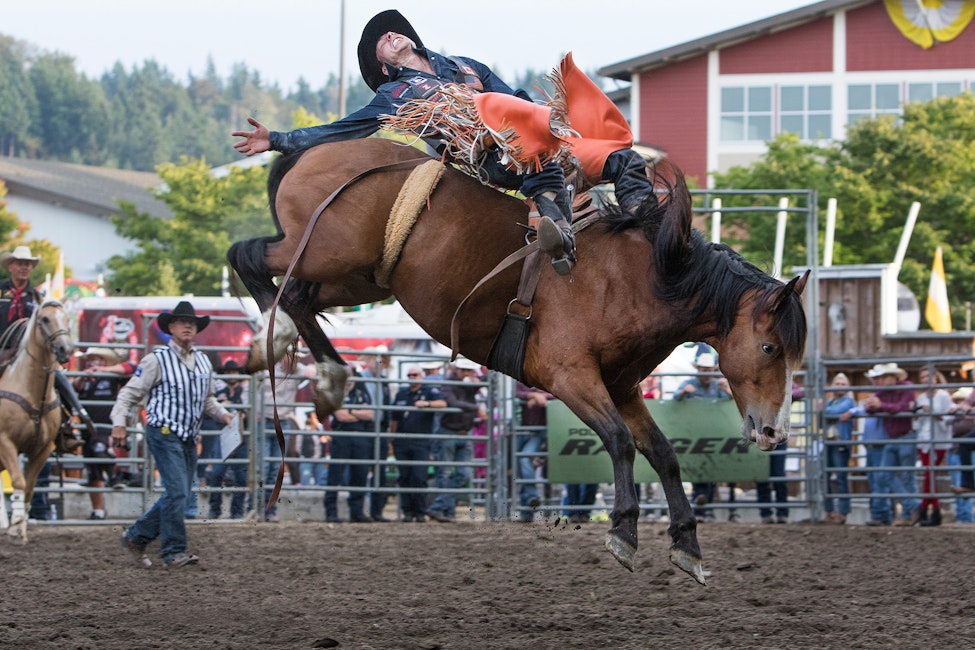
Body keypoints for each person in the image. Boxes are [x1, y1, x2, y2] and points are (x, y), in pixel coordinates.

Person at [232, 10, 657, 276]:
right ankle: (557, 231)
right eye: (383, 40)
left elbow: (516, 102)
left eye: (393, 31)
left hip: (537, 139)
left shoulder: (467, 67)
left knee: (621, 156)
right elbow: (345, 129)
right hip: (487, 157)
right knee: (532, 155)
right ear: (382, 64)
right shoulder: (395, 97)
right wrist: (278, 140)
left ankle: (645, 226)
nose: (393, 35)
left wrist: (555, 125)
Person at [112, 301, 235, 568]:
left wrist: (224, 415)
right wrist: (119, 422)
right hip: (163, 431)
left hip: (188, 436)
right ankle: (173, 551)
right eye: (182, 322)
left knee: (178, 492)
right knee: (179, 491)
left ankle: (136, 536)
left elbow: (208, 400)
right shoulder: (156, 359)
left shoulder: (203, 361)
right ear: (171, 327)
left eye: (191, 322)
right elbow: (129, 393)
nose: (188, 325)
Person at [0, 245, 96, 452]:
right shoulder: (0, 290)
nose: (24, 268)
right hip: (2, 350)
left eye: (28, 265)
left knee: (57, 378)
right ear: (11, 266)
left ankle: (67, 427)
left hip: (30, 353)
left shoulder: (40, 297)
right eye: (20, 264)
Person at [672, 351, 733, 522]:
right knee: (699, 466)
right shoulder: (688, 384)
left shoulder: (718, 385)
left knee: (710, 469)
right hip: (694, 435)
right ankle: (701, 502)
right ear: (698, 369)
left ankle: (702, 504)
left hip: (713, 434)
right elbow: (674, 399)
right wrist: (683, 393)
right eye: (703, 369)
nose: (706, 373)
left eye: (708, 370)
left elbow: (731, 404)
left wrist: (727, 391)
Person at [257, 352, 317, 522]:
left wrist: (311, 369)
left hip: (281, 421)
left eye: (296, 357)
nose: (294, 360)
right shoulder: (267, 370)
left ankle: (267, 510)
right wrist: (254, 411)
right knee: (263, 466)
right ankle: (257, 508)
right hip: (264, 420)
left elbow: (312, 371)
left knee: (274, 468)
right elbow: (251, 389)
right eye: (291, 356)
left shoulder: (298, 371)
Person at [73, 347, 131, 519]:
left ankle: (115, 476)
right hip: (87, 427)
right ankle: (98, 511)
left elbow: (131, 368)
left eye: (97, 359)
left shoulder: (112, 375)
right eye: (90, 359)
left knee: (99, 449)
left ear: (105, 361)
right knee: (93, 470)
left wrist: (102, 370)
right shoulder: (85, 378)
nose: (92, 362)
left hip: (106, 425)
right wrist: (82, 378)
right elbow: (73, 388)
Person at [426, 358, 482, 523]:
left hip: (463, 432)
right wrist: (476, 408)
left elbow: (483, 384)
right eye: (464, 370)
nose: (467, 373)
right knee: (445, 474)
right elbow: (452, 402)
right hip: (449, 431)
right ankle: (447, 512)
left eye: (469, 370)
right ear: (455, 369)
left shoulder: (468, 384)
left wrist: (477, 382)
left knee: (462, 474)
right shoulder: (448, 384)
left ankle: (438, 508)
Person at [864, 362, 920, 526]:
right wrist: (872, 405)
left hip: (906, 436)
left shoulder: (907, 387)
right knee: (884, 474)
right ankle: (913, 506)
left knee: (907, 476)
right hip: (894, 438)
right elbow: (872, 409)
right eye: (879, 378)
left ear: (893, 377)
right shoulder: (882, 392)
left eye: (884, 377)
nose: (880, 381)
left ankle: (909, 515)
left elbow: (904, 408)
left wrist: (881, 406)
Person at [389, 365, 446, 522]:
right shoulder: (401, 393)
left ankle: (420, 512)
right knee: (404, 477)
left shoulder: (429, 392)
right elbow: (394, 418)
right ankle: (408, 512)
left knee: (419, 477)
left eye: (415, 375)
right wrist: (391, 438)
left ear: (421, 376)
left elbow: (443, 403)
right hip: (402, 441)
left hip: (421, 441)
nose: (412, 378)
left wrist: (427, 404)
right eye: (410, 375)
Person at [324, 371, 375, 523]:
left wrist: (350, 412)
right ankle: (331, 512)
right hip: (342, 435)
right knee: (336, 474)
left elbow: (370, 414)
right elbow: (340, 416)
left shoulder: (362, 392)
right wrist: (358, 413)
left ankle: (357, 512)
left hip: (360, 435)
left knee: (360, 473)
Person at [207, 360, 249, 520]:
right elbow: (211, 409)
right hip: (222, 434)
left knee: (241, 475)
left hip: (241, 436)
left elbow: (247, 412)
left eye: (235, 372)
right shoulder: (219, 392)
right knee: (217, 472)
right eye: (229, 372)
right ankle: (214, 508)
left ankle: (237, 510)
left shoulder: (245, 391)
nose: (232, 375)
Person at [913, 368, 952, 527]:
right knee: (929, 474)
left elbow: (948, 419)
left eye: (928, 376)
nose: (925, 379)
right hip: (924, 440)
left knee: (930, 473)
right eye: (922, 377)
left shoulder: (943, 396)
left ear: (935, 378)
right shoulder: (921, 397)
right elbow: (916, 422)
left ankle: (926, 509)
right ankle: (932, 512)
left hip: (938, 440)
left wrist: (933, 412)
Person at [856, 367, 894, 526]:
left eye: (879, 378)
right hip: (873, 444)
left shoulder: (884, 398)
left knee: (880, 480)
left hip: (881, 444)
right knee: (875, 480)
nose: (876, 381)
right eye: (875, 378)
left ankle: (880, 513)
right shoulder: (876, 397)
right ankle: (881, 513)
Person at [358, 347, 392, 522]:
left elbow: (388, 408)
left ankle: (376, 511)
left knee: (380, 472)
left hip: (380, 429)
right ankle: (358, 511)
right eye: (375, 359)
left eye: (382, 360)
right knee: (361, 470)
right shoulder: (358, 379)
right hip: (364, 429)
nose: (379, 363)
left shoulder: (384, 382)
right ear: (368, 360)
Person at [515, 382, 552, 522]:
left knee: (524, 458)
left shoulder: (545, 379)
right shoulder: (521, 380)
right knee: (522, 467)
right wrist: (534, 395)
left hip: (538, 431)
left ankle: (531, 497)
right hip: (524, 430)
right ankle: (527, 511)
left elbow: (558, 394)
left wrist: (540, 397)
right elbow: (516, 393)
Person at [821, 373, 855, 524]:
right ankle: (829, 511)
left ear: (847, 388)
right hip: (829, 441)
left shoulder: (848, 402)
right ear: (832, 386)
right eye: (838, 383)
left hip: (840, 442)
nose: (840, 386)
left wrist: (823, 412)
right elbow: (824, 416)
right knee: (825, 477)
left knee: (841, 477)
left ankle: (842, 512)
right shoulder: (830, 402)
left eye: (843, 384)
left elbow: (826, 414)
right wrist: (825, 413)